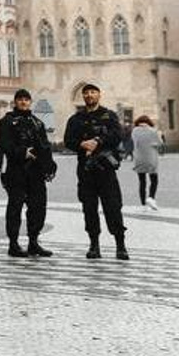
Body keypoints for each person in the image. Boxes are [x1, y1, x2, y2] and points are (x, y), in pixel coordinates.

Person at [63, 83, 129, 261]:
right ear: (83, 97)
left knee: (113, 207)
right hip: (86, 170)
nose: (89, 95)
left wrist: (98, 141)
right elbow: (68, 140)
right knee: (89, 208)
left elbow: (118, 135)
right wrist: (81, 144)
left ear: (99, 95)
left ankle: (120, 245)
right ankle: (94, 245)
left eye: (93, 92)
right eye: (86, 93)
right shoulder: (76, 119)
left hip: (106, 169)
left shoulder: (109, 116)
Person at [0, 89, 56, 258]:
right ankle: (13, 243)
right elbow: (4, 144)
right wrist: (23, 152)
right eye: (20, 99)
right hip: (17, 171)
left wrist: (50, 165)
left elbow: (45, 145)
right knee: (15, 208)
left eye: (26, 99)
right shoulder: (7, 121)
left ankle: (33, 242)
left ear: (30, 102)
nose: (23, 102)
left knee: (38, 207)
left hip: (36, 172)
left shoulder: (37, 122)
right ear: (15, 102)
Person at [130, 114, 163, 210]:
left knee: (142, 182)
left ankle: (143, 204)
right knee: (154, 179)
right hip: (151, 158)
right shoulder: (153, 131)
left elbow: (135, 142)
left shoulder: (134, 131)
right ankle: (151, 197)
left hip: (139, 159)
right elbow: (160, 143)